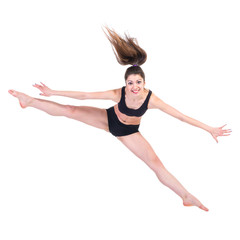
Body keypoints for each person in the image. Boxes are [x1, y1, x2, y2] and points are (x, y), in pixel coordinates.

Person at [8, 27, 231, 212]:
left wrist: (209, 128)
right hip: (108, 119)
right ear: (126, 84)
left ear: (144, 84)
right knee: (71, 110)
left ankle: (186, 195)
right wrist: (53, 92)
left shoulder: (151, 100)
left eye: (138, 83)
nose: (134, 87)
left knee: (156, 165)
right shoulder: (118, 93)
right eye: (131, 83)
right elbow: (86, 95)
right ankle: (29, 102)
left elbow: (181, 117)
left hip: (129, 133)